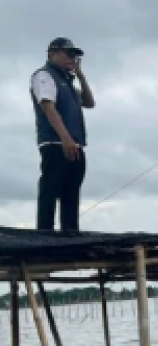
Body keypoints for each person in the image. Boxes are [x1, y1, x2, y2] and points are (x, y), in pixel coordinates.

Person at [30, 37, 95, 232]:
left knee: (71, 193)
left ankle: (70, 232)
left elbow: (90, 102)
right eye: (68, 54)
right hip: (55, 143)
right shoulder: (45, 75)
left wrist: (81, 76)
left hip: (75, 145)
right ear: (53, 54)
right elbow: (48, 106)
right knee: (50, 191)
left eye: (74, 55)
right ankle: (44, 234)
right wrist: (65, 138)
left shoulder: (68, 82)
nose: (72, 58)